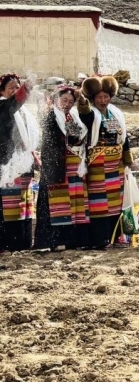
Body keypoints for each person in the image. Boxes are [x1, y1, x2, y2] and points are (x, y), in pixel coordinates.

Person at [78, 76, 133, 250]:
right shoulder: (91, 114)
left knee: (117, 202)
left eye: (106, 97)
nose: (103, 100)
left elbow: (124, 137)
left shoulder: (116, 113)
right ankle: (100, 239)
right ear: (93, 98)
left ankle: (116, 237)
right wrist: (82, 102)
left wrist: (127, 159)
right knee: (99, 202)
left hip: (116, 165)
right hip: (97, 165)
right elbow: (85, 114)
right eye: (99, 97)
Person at [34, 85, 89, 252]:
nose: (67, 104)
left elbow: (76, 138)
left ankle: (71, 240)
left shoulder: (72, 117)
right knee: (55, 203)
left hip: (71, 168)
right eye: (64, 100)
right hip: (55, 166)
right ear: (56, 99)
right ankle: (52, 240)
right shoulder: (50, 115)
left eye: (71, 102)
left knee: (71, 204)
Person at [0, 74, 37, 254]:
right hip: (8, 164)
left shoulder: (23, 112)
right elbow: (14, 102)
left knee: (23, 203)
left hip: (23, 163)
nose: (15, 91)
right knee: (8, 204)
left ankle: (23, 242)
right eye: (11, 88)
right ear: (1, 92)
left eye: (17, 87)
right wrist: (26, 89)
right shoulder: (3, 106)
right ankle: (8, 244)